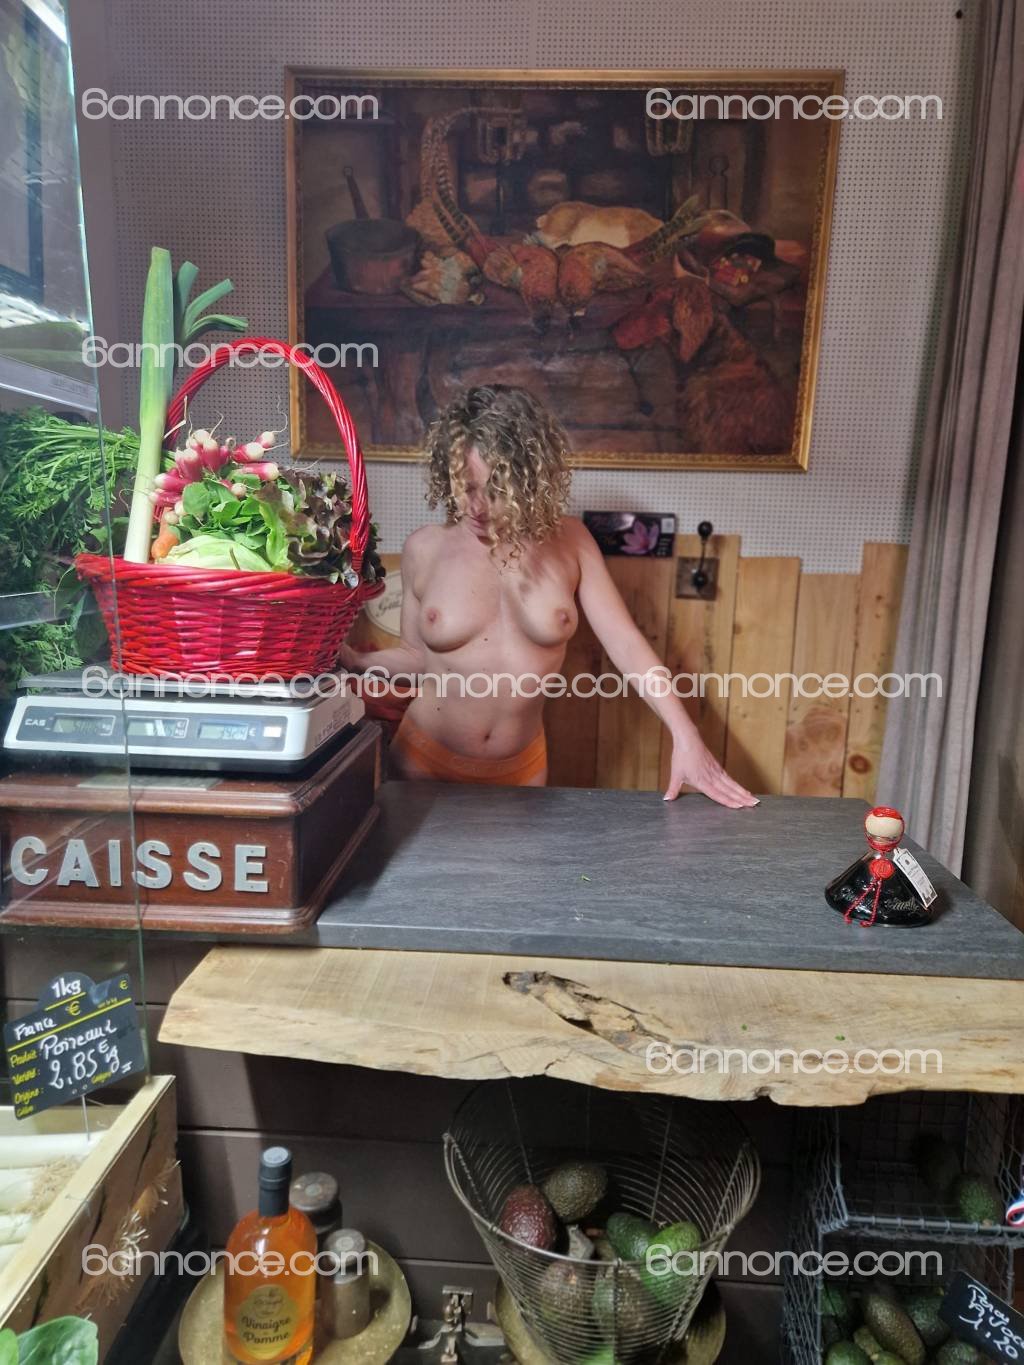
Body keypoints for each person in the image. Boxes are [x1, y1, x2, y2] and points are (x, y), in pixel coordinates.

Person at [340, 385, 757, 808]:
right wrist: (358, 662)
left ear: (526, 479)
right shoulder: (424, 548)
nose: (477, 507)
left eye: (496, 490)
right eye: (466, 487)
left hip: (522, 771)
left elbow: (627, 646)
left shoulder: (571, 542)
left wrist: (686, 736)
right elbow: (416, 658)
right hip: (422, 763)